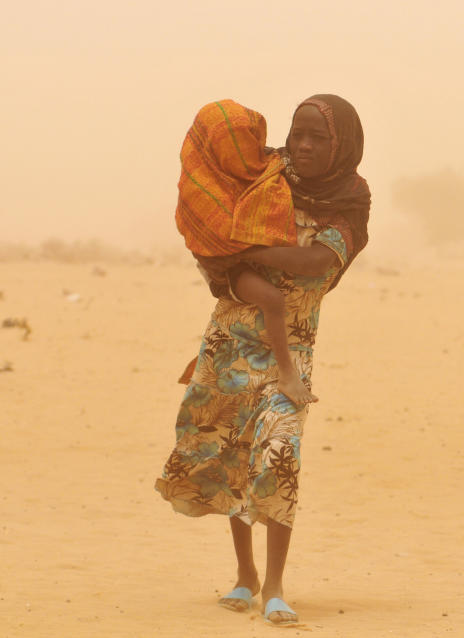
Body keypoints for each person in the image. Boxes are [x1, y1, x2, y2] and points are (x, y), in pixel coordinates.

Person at [156, 94, 371, 626]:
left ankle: (276, 585)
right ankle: (245, 576)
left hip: (290, 354)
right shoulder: (263, 175)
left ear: (341, 144)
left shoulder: (349, 200)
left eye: (317, 138)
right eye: (297, 133)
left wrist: (246, 252)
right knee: (236, 457)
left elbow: (317, 259)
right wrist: (225, 254)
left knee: (280, 457)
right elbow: (209, 231)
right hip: (229, 341)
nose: (301, 145)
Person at [176, 99, 319, 406]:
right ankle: (287, 375)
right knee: (272, 299)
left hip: (243, 263)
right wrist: (251, 246)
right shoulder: (199, 185)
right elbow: (221, 235)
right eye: (237, 144)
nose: (246, 151)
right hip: (226, 268)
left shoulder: (256, 169)